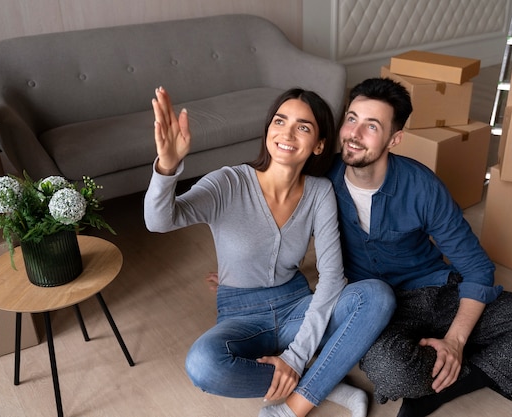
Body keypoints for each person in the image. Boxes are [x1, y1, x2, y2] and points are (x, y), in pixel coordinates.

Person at [325, 77, 512, 417]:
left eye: (371, 126)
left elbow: (478, 268)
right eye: (351, 118)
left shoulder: (422, 186)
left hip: (437, 293)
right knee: (392, 373)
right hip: (377, 309)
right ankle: (462, 359)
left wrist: (455, 340)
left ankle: (448, 382)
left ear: (395, 139)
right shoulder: (324, 178)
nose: (354, 133)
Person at [144, 86, 396, 417]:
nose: (287, 133)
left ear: (319, 144)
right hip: (240, 314)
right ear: (268, 130)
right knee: (204, 365)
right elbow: (159, 221)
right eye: (279, 121)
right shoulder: (229, 183)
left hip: (297, 306)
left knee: (377, 296)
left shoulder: (320, 193)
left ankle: (290, 409)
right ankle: (325, 383)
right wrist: (166, 168)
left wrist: (296, 354)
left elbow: (333, 277)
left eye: (303, 126)